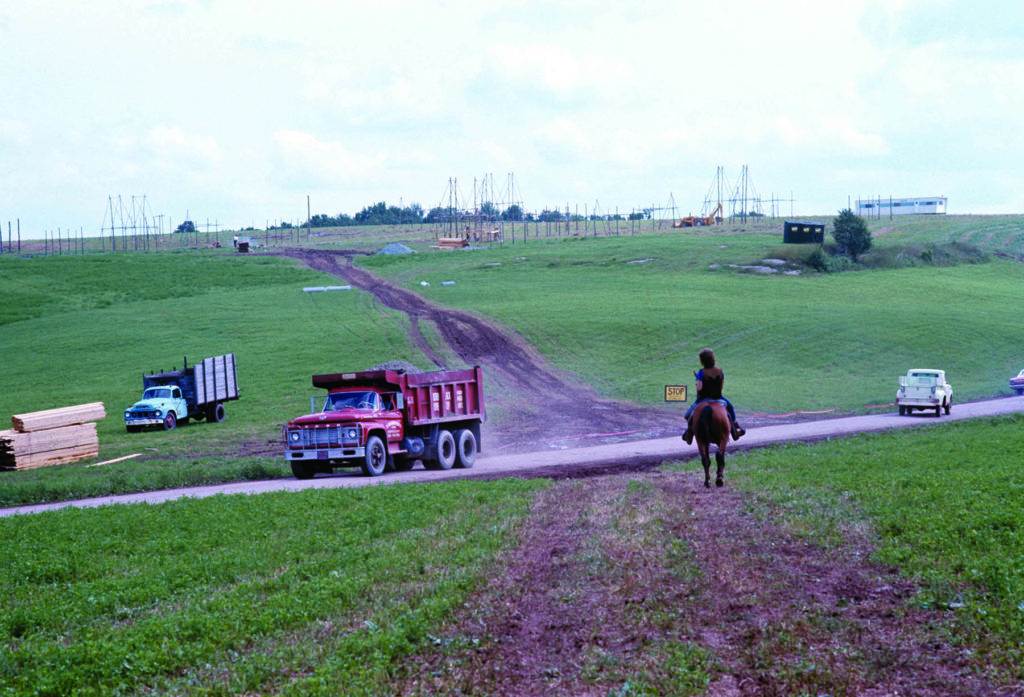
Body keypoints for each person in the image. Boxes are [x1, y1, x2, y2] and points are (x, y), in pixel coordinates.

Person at [681, 348, 745, 444]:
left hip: (703, 399)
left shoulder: (701, 372)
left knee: (687, 415)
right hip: (718, 398)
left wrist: (697, 379)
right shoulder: (720, 371)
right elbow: (721, 386)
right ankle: (735, 430)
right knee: (730, 409)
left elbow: (699, 388)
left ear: (702, 361)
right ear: (713, 359)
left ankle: (689, 434)